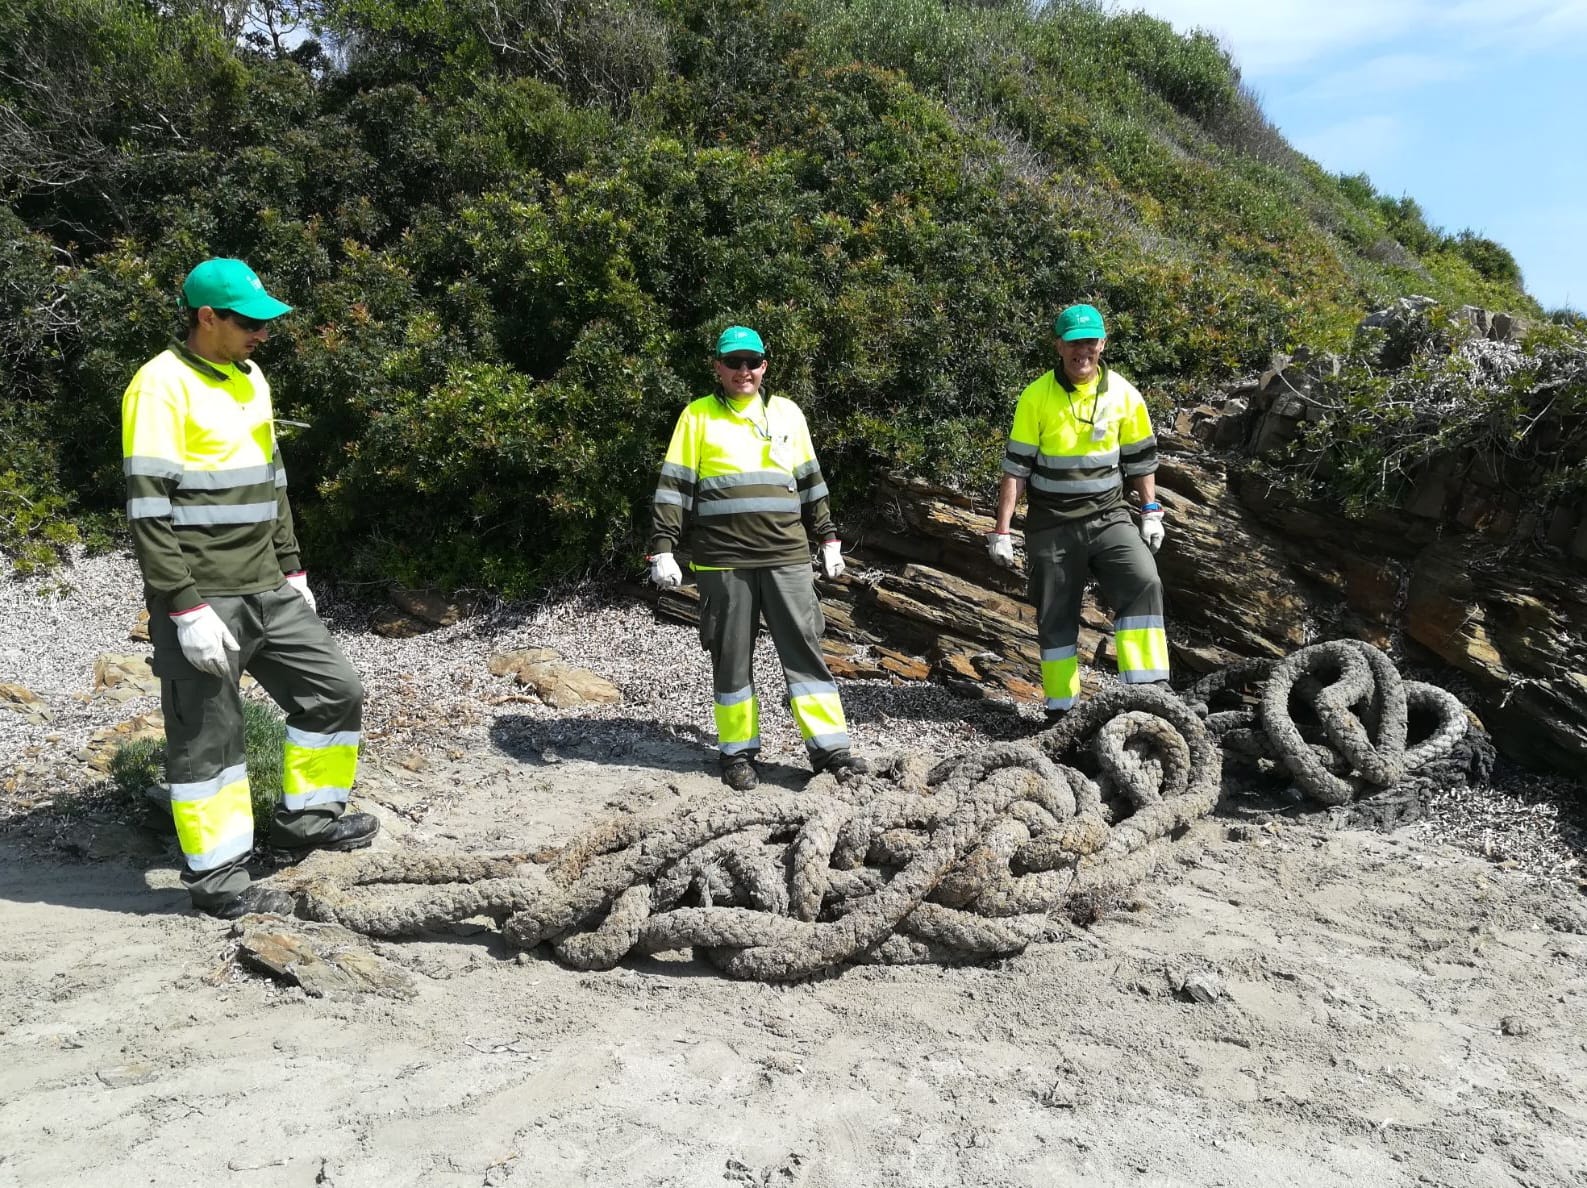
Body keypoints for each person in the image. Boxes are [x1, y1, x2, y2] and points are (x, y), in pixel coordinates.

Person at [121, 257, 377, 919]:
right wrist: (184, 607)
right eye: (248, 323)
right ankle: (219, 880)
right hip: (204, 595)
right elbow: (148, 510)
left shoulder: (251, 377)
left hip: (267, 584)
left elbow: (273, 478)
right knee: (210, 738)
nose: (262, 334)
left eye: (265, 323)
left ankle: (306, 823)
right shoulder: (159, 385)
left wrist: (292, 568)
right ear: (207, 317)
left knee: (335, 691)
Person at [648, 326, 868, 791]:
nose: (743, 371)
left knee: (805, 648)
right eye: (733, 362)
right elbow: (673, 487)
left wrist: (828, 537)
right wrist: (663, 547)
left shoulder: (788, 413)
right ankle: (737, 753)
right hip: (722, 559)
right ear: (718, 367)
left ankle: (831, 750)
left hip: (787, 554)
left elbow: (811, 482)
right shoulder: (697, 416)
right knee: (730, 656)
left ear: (764, 366)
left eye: (752, 362)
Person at [987, 303, 1169, 722]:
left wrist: (1150, 510)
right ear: (1059, 346)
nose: (1081, 351)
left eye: (1089, 342)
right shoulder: (1036, 397)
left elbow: (1140, 461)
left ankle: (1149, 692)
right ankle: (1061, 710)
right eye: (1073, 343)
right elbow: (1016, 470)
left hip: (1109, 516)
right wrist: (1002, 531)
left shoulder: (1124, 394)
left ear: (1102, 343)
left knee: (1144, 581)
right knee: (1055, 611)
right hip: (1052, 523)